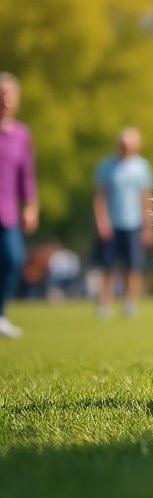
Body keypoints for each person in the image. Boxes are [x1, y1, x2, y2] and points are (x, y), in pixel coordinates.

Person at [93, 126, 153, 319]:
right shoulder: (106, 166)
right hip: (112, 224)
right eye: (122, 144)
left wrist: (148, 226)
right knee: (108, 266)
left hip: (133, 224)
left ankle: (129, 303)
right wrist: (102, 221)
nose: (124, 148)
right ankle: (104, 305)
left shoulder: (142, 167)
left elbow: (146, 198)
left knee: (133, 267)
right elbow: (100, 197)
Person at [0, 72, 38, 339]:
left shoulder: (22, 134)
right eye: (1, 94)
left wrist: (31, 206)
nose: (5, 100)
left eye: (9, 94)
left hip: (8, 211)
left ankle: (1, 315)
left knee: (14, 260)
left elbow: (27, 174)